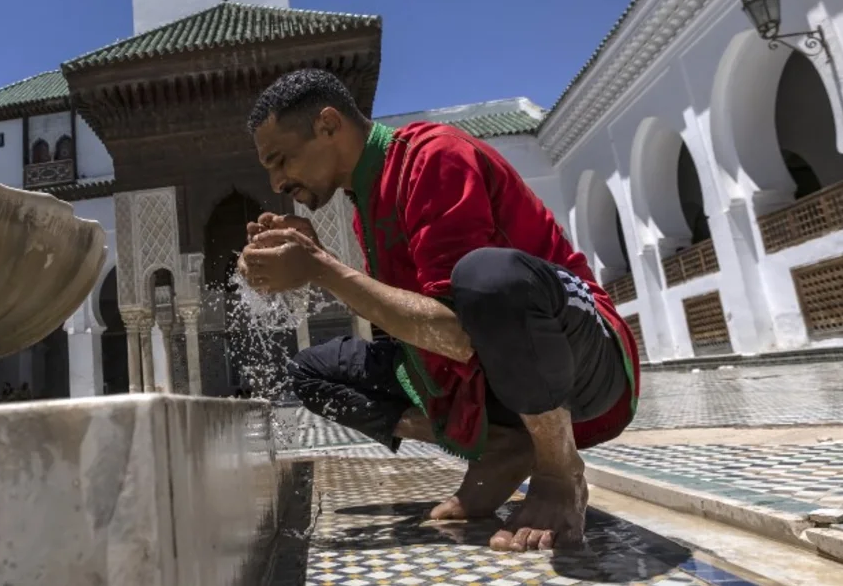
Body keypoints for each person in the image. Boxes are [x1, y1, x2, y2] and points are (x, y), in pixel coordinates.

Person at [237, 69, 640, 553]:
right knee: (313, 373)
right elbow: (417, 325)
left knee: (486, 279)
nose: (278, 182)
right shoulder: (367, 197)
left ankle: (557, 469)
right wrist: (315, 255)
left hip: (582, 362)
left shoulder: (434, 157)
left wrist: (321, 269)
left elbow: (459, 332)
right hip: (497, 371)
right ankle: (502, 445)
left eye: (280, 160)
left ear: (328, 125)